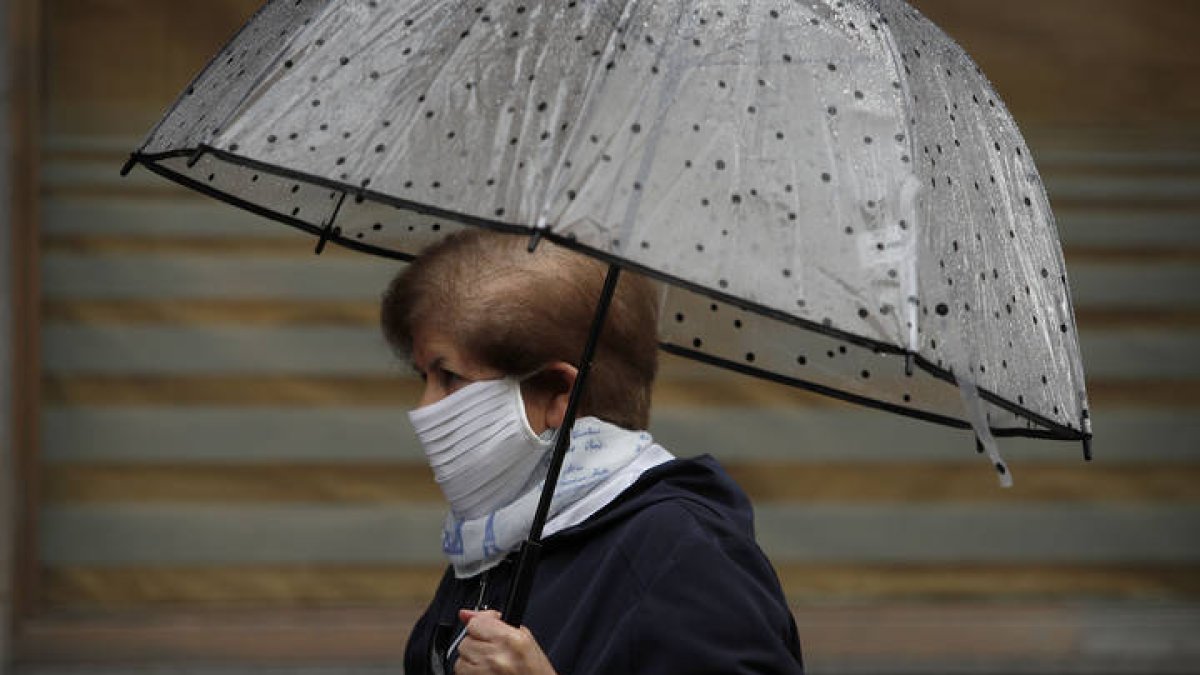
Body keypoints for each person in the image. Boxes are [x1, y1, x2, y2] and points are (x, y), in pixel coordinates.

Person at [381, 229, 804, 675]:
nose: (424, 408)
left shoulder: (682, 551)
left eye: (448, 376)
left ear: (561, 392)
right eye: (422, 376)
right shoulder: (506, 538)